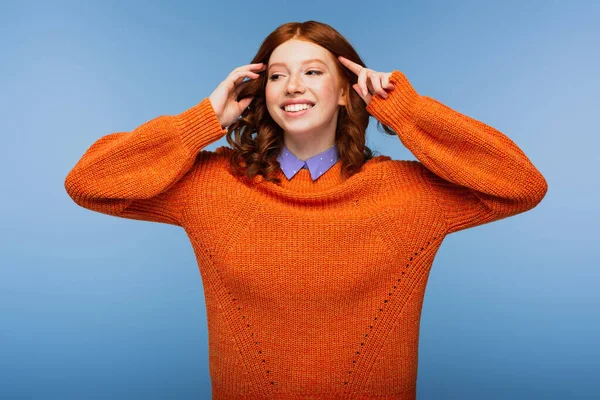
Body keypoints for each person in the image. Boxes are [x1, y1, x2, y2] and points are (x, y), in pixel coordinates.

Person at [64, 20, 548, 399]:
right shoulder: (215, 184)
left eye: (313, 72)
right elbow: (88, 182)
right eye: (277, 75)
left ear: (345, 91)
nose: (293, 85)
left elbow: (521, 183)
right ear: (261, 93)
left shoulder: (404, 194)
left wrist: (407, 111)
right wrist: (202, 120)